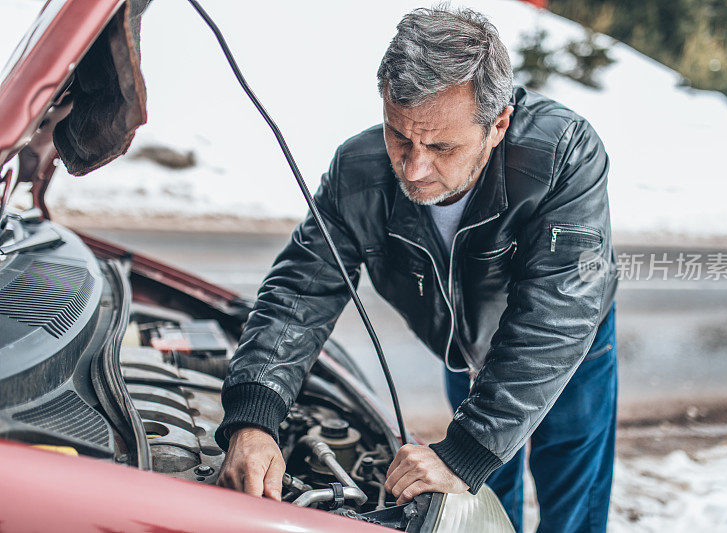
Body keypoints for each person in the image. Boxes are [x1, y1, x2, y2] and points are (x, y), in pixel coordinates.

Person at [214, 6, 618, 533]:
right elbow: (302, 290)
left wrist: (468, 450)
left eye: (441, 145)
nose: (413, 167)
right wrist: (253, 417)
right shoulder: (357, 172)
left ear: (497, 124)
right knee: (484, 496)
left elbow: (560, 309)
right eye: (399, 136)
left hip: (569, 350)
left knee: (570, 488)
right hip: (461, 349)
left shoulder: (563, 155)